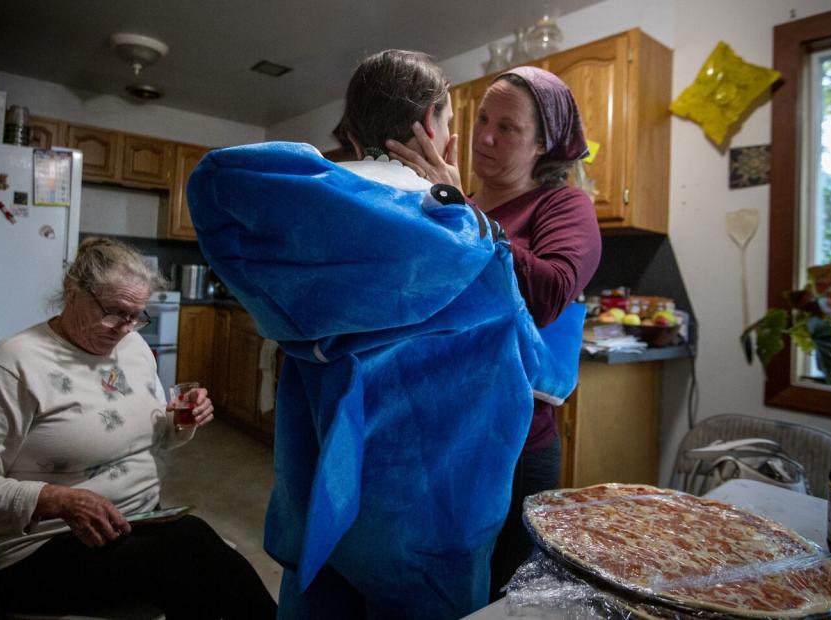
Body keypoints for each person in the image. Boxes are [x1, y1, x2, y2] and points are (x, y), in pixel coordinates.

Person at [186, 50, 582, 619]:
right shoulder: (463, 242)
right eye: (453, 121)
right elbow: (540, 373)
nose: (463, 137)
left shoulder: (297, 211)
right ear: (430, 122)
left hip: (317, 478)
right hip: (426, 512)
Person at [0, 237, 277, 619]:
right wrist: (54, 499)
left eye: (137, 316)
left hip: (140, 522)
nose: (126, 328)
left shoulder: (134, 349)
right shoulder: (13, 364)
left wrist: (179, 419)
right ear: (72, 292)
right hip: (45, 547)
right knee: (192, 555)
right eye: (115, 312)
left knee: (200, 561)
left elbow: (146, 436)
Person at [388, 66, 602, 599]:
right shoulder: (455, 204)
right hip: (442, 433)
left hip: (513, 446)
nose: (485, 136)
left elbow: (550, 293)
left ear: (542, 147)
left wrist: (463, 213)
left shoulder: (563, 205)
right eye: (483, 118)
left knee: (502, 595)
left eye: (508, 129)